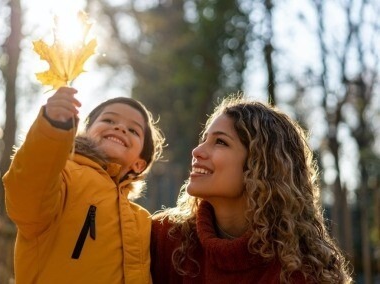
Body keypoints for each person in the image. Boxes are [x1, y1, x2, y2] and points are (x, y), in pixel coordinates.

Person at [150, 94, 352, 283]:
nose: (197, 151)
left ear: (262, 165)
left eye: (220, 142)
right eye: (204, 140)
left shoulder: (303, 271)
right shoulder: (164, 238)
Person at [3, 86, 164, 284]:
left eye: (133, 130)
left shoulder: (143, 220)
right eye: (109, 120)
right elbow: (28, 191)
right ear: (86, 133)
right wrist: (53, 129)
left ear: (140, 164)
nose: (120, 128)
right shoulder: (64, 175)